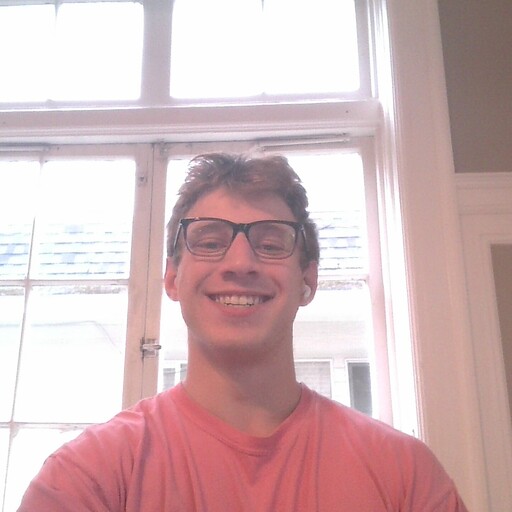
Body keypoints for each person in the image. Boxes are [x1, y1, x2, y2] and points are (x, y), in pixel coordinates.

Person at [18, 153, 468, 511]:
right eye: (210, 242)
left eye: (270, 244)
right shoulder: (85, 478)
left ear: (308, 280)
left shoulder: (404, 475)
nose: (240, 263)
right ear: (172, 278)